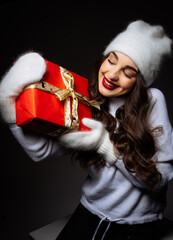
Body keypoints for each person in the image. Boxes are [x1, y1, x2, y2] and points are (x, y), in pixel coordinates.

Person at [0, 20, 173, 240]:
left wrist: (104, 146)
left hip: (138, 222)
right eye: (111, 60)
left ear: (139, 81)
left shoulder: (152, 101)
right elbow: (41, 151)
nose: (112, 74)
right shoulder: (84, 98)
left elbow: (160, 179)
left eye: (128, 72)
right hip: (91, 209)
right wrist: (10, 107)